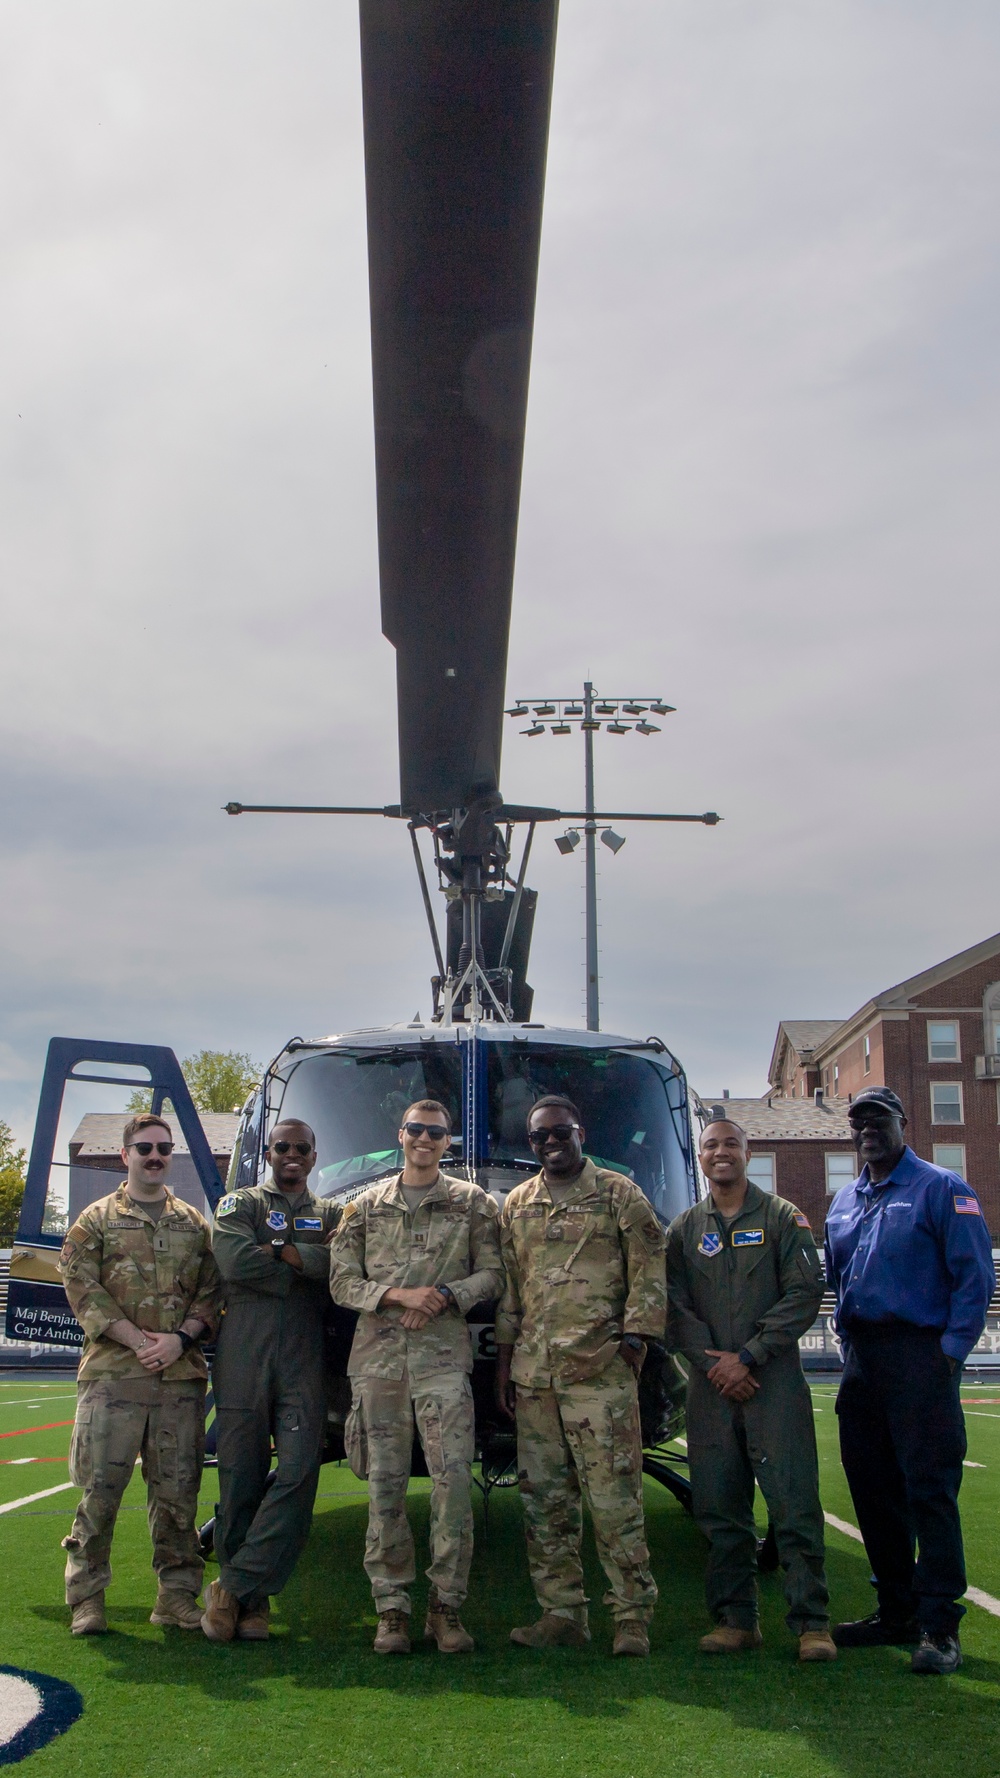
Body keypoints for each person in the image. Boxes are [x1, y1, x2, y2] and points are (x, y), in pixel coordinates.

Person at [825, 1086, 995, 1674]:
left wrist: (948, 1355)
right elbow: (838, 1278)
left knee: (929, 1491)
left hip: (921, 1355)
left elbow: (974, 1278)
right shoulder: (845, 1199)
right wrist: (851, 1347)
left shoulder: (942, 1189)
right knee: (872, 1486)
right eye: (857, 1121)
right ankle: (894, 1609)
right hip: (864, 1360)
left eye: (877, 1118)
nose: (866, 1129)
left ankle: (939, 1627)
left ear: (903, 1123)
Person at [329, 1099, 503, 1655]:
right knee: (385, 1489)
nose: (424, 1139)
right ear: (399, 1135)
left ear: (448, 1142)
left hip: (443, 1365)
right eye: (416, 1130)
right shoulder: (363, 1207)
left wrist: (448, 1296)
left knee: (453, 1488)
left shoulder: (471, 1203)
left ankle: (446, 1608)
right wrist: (397, 1296)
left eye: (436, 1132)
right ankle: (392, 1609)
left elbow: (494, 1273)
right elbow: (340, 1282)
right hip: (378, 1367)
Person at [494, 1095, 665, 1657]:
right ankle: (561, 1613)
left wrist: (634, 1344)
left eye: (559, 1132)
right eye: (540, 1136)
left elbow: (649, 1268)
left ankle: (632, 1617)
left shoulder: (618, 1194)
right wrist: (505, 1361)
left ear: (580, 1132)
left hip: (600, 1374)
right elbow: (512, 1292)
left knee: (615, 1500)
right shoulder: (517, 1204)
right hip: (536, 1377)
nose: (550, 1143)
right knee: (545, 1503)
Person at [666, 1119, 835, 1660]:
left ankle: (812, 1623)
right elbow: (672, 1305)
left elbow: (805, 1292)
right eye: (711, 1145)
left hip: (773, 1384)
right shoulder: (684, 1229)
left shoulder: (784, 1218)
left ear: (748, 1152)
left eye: (731, 1144)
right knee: (719, 1507)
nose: (721, 1153)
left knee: (793, 1504)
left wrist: (749, 1356)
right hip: (711, 1388)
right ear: (701, 1155)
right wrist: (714, 1365)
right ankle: (737, 1620)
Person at [58, 1112, 222, 1636]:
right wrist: (137, 1341)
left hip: (179, 1379)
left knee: (177, 1496)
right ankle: (87, 1598)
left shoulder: (194, 1224)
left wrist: (179, 1340)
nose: (155, 1157)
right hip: (113, 1378)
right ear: (124, 1155)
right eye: (145, 1148)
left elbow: (213, 1292)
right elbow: (82, 1288)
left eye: (163, 1149)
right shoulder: (95, 1221)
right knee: (99, 1492)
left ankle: (175, 1598)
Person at [203, 1117, 340, 1642]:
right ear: (268, 1152)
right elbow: (235, 1261)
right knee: (239, 1477)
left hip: (302, 1359)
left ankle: (231, 1586)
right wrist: (304, 1266)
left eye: (301, 1148)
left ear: (313, 1155)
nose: (291, 1155)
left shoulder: (331, 1212)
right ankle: (252, 1604)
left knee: (301, 1471)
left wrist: (280, 1253)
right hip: (244, 1355)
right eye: (281, 1146)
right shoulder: (240, 1205)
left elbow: (341, 1263)